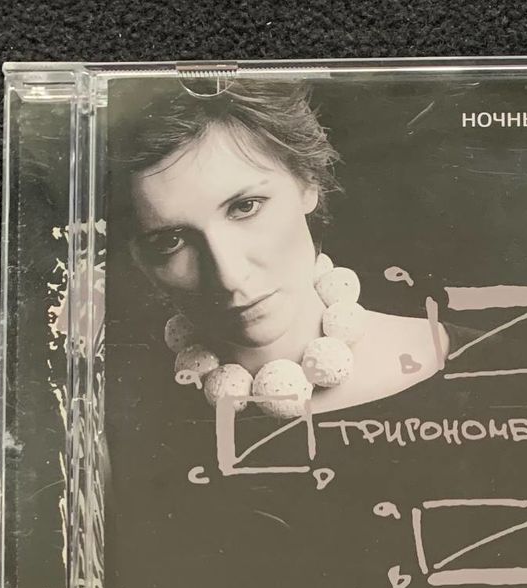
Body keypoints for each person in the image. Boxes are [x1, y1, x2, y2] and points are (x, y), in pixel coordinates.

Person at [109, 78, 448, 415]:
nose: (229, 277)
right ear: (137, 258)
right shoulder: (108, 409)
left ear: (307, 180)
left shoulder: (468, 359)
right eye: (171, 241)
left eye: (245, 207)